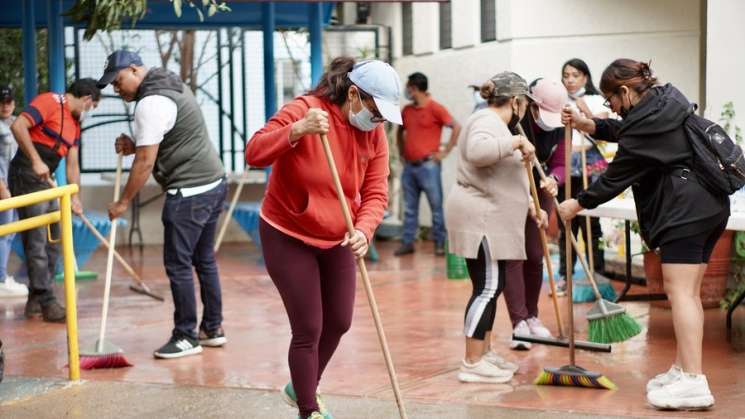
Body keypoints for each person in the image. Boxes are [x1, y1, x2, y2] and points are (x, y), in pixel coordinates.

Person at [558, 59, 728, 410]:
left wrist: (576, 203)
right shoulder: (666, 104)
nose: (613, 109)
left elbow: (615, 175)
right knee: (689, 294)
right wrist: (593, 124)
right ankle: (684, 370)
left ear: (625, 91)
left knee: (680, 294)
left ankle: (694, 382)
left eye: (612, 101)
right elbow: (631, 130)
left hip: (686, 210)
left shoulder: (646, 127)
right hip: (708, 204)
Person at [246, 57, 399, 419]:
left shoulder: (374, 133)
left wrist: (364, 229)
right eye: (376, 112)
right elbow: (254, 153)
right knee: (309, 326)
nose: (378, 122)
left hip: (338, 235)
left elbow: (377, 190)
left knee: (340, 321)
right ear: (354, 95)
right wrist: (296, 131)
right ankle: (308, 408)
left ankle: (300, 384)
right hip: (288, 233)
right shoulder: (306, 109)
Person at [97, 50, 228, 359]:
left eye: (118, 82)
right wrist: (135, 144)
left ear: (133, 70)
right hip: (214, 182)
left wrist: (122, 202)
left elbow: (145, 163)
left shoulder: (150, 102)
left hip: (190, 192)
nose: (117, 90)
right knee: (204, 260)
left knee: (178, 264)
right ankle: (212, 329)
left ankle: (186, 336)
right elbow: (167, 136)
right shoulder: (170, 83)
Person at [445, 72, 546, 384]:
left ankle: (483, 353)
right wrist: (516, 140)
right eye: (527, 104)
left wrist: (531, 204)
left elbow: (504, 175)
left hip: (490, 218)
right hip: (482, 219)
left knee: (491, 286)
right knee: (487, 288)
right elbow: (478, 152)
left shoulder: (494, 124)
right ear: (515, 101)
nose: (527, 110)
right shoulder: (486, 122)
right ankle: (472, 362)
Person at [9, 79, 98, 322]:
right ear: (88, 99)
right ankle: (47, 300)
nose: (89, 112)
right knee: (36, 238)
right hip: (26, 172)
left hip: (47, 178)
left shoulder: (75, 124)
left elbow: (72, 163)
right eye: (91, 107)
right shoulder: (49, 101)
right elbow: (18, 126)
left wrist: (74, 195)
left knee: (52, 238)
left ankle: (35, 301)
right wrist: (36, 160)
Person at [502, 79, 567, 350]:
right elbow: (505, 165)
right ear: (532, 106)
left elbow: (561, 163)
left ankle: (532, 316)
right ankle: (518, 323)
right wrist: (527, 199)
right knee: (515, 254)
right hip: (511, 188)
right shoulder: (514, 122)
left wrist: (554, 179)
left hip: (540, 188)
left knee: (536, 254)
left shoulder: (560, 126)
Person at [557, 58, 611, 292]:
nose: (570, 80)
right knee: (566, 222)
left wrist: (583, 108)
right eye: (566, 75)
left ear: (585, 78)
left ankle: (597, 273)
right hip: (567, 165)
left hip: (590, 165)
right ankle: (564, 276)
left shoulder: (597, 100)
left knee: (591, 220)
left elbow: (602, 129)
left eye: (575, 75)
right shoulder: (558, 101)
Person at [395, 72, 461, 257]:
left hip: (429, 166)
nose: (406, 91)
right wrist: (401, 151)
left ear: (415, 89)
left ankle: (440, 243)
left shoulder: (436, 108)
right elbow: (400, 132)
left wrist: (445, 151)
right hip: (409, 166)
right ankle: (408, 243)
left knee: (436, 207)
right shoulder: (407, 110)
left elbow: (456, 126)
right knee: (409, 208)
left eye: (408, 87)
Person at [0, 84, 28, 298]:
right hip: (4, 188)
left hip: (15, 185)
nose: (5, 105)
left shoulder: (16, 123)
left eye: (8, 101)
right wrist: (2, 187)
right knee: (5, 233)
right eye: (1, 101)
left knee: (9, 233)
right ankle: (1, 279)